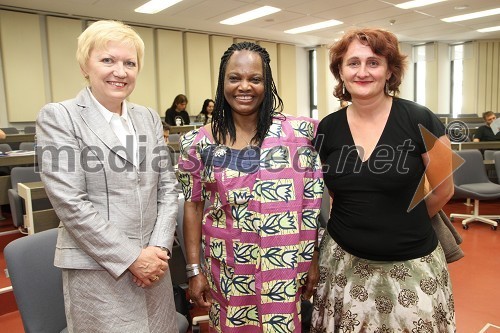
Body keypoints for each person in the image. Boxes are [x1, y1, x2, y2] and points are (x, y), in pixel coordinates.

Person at [35, 20, 179, 333]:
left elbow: (168, 189)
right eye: (107, 60)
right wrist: (132, 258)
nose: (120, 71)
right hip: (99, 271)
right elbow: (70, 202)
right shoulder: (60, 116)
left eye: (130, 63)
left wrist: (158, 250)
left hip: (155, 269)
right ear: (85, 65)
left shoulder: (148, 117)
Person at [311, 28, 456, 332]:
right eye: (353, 63)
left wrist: (401, 220)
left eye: (374, 63)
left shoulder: (422, 119)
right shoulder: (328, 127)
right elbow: (336, 193)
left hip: (411, 265)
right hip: (343, 267)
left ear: (390, 70)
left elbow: (444, 190)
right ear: (340, 71)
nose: (362, 72)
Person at [177, 41, 324, 332]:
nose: (245, 86)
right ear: (223, 82)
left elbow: (310, 202)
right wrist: (194, 270)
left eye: (255, 79)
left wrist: (314, 258)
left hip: (284, 266)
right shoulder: (196, 143)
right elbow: (193, 206)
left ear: (266, 83)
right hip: (229, 269)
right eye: (235, 78)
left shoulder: (299, 135)